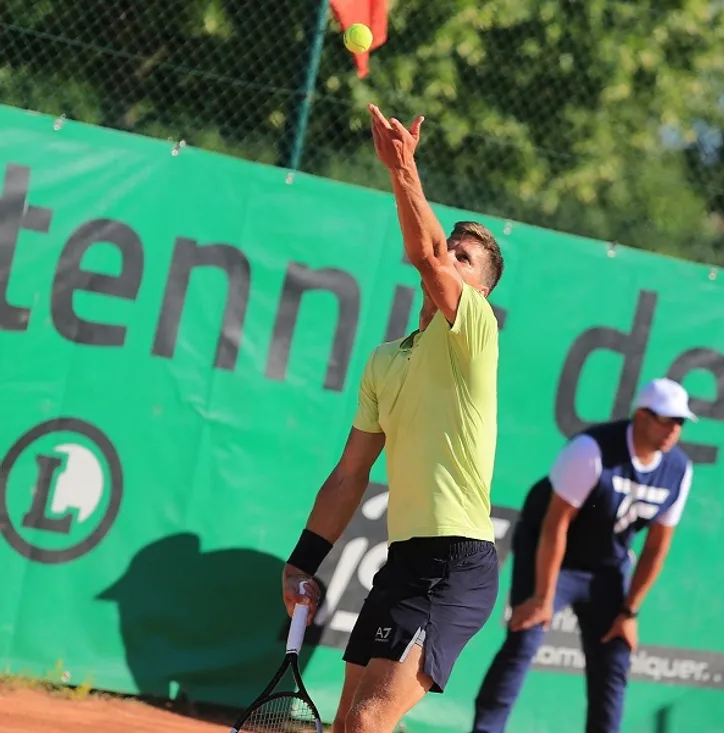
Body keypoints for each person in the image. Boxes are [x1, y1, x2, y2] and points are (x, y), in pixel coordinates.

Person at [280, 103, 506, 733]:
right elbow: (350, 475)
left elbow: (428, 253)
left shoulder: (476, 332)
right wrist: (304, 561)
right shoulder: (386, 360)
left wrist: (404, 169)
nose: (449, 259)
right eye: (453, 250)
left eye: (465, 260)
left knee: (367, 721)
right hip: (403, 561)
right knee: (351, 721)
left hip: (457, 565)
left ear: (480, 293)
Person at [471, 377, 697, 733]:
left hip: (607, 567)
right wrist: (543, 598)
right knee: (525, 636)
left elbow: (657, 546)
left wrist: (629, 611)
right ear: (641, 415)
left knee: (615, 653)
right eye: (665, 419)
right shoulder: (591, 449)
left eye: (680, 422)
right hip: (552, 555)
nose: (673, 429)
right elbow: (555, 524)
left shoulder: (679, 470)